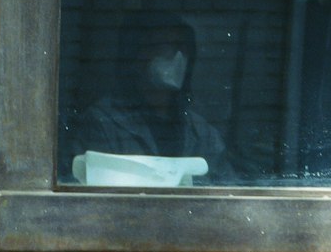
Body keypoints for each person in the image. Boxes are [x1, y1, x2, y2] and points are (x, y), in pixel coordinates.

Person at [70, 19, 238, 182]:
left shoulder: (202, 133)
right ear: (135, 57)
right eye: (163, 47)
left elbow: (227, 192)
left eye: (182, 48)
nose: (176, 57)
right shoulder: (103, 123)